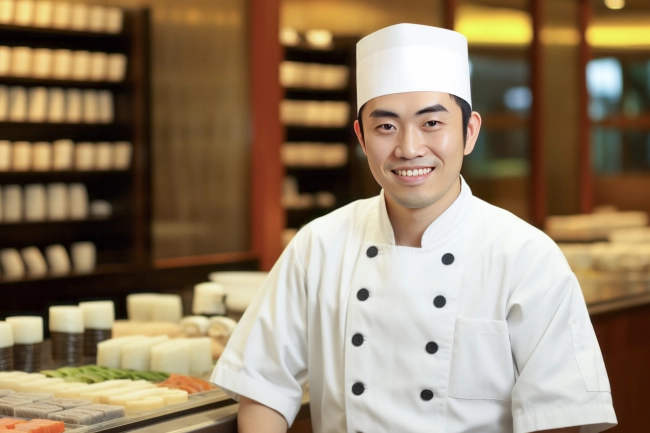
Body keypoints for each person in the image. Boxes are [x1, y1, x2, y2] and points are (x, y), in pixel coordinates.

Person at [211, 23, 617, 433]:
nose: (408, 148)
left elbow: (559, 416)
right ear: (361, 137)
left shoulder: (526, 256)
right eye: (386, 126)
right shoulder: (319, 245)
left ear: (469, 131)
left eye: (431, 124)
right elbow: (262, 386)